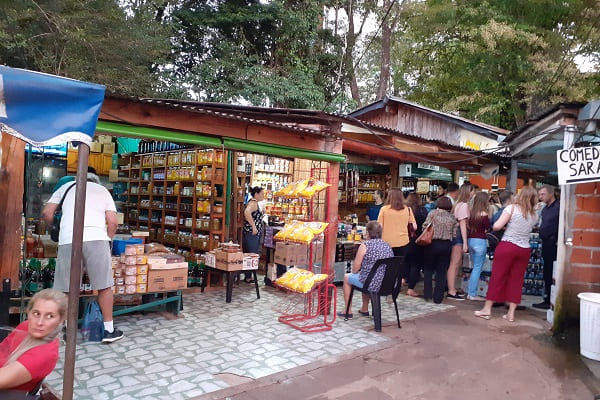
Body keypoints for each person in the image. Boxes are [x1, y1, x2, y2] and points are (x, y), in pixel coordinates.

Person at [42, 173, 122, 343]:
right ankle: (108, 330)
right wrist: (108, 239)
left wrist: (59, 227)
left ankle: (63, 329)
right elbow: (113, 222)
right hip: (97, 239)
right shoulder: (102, 191)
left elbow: (47, 213)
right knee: (104, 286)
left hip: (69, 239)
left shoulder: (65, 188)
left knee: (66, 288)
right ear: (96, 181)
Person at [474, 186, 539, 322]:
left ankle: (487, 309)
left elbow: (496, 226)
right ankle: (511, 313)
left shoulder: (511, 209)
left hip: (507, 245)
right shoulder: (534, 215)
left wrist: (505, 225)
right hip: (524, 249)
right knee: (517, 280)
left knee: (498, 277)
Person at [0, 289, 67, 392]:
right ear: (28, 312)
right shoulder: (26, 326)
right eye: (36, 313)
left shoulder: (44, 354)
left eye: (50, 316)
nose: (39, 322)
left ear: (60, 320)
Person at [338, 221, 393, 318]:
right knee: (366, 275)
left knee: (347, 278)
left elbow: (355, 269)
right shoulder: (387, 245)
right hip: (388, 283)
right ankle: (364, 308)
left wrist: (359, 270)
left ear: (368, 233)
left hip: (372, 283)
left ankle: (348, 310)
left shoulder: (365, 245)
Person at [421, 197, 457, 303]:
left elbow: (425, 227)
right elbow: (454, 234)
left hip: (432, 244)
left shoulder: (432, 213)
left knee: (428, 269)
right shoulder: (452, 218)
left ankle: (427, 294)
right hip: (446, 245)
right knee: (441, 272)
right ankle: (438, 298)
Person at [377, 188, 416, 279]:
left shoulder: (384, 209)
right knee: (399, 268)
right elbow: (414, 227)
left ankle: (386, 288)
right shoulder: (408, 209)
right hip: (403, 242)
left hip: (387, 243)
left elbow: (380, 226)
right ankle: (396, 290)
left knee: (387, 267)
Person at [533, 184, 560, 310]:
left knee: (551, 272)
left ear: (551, 193)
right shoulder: (545, 209)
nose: (540, 197)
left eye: (543, 194)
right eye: (540, 194)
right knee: (546, 272)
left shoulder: (559, 207)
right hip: (545, 243)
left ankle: (550, 299)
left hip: (553, 243)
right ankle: (547, 297)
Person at [446, 183, 472, 300]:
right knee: (455, 263)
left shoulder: (458, 204)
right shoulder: (464, 205)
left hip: (454, 236)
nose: (473, 194)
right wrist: (465, 243)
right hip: (458, 237)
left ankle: (452, 289)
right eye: (472, 191)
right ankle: (451, 290)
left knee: (454, 263)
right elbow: (462, 224)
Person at [466, 192, 490, 301]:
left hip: (470, 240)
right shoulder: (485, 215)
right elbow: (488, 228)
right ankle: (472, 293)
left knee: (474, 267)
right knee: (477, 268)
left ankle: (470, 291)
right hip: (480, 241)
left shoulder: (471, 213)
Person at [405, 193, 428, 297]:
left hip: (405, 240)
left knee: (405, 262)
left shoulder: (405, 210)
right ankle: (411, 288)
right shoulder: (422, 211)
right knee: (416, 264)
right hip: (418, 241)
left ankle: (403, 280)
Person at [242, 186, 265, 283]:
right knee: (252, 254)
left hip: (250, 233)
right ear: (256, 194)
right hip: (252, 233)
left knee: (249, 254)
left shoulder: (254, 203)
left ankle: (248, 276)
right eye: (262, 194)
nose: (263, 196)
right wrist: (254, 226)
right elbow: (247, 212)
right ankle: (249, 277)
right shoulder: (253, 203)